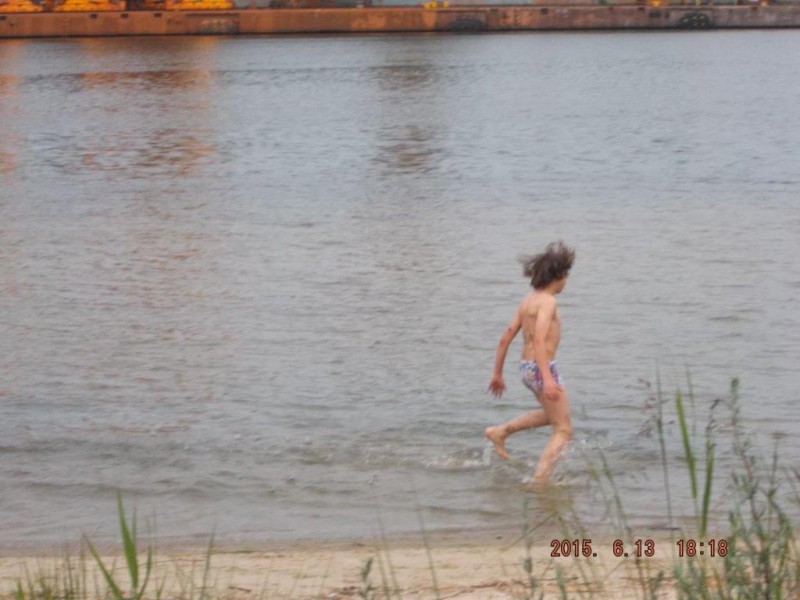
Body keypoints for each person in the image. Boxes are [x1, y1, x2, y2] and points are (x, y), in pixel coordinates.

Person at [484, 241, 575, 487]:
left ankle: (500, 431)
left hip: (526, 368)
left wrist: (497, 373)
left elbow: (506, 336)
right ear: (558, 275)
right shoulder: (548, 302)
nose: (567, 281)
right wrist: (548, 379)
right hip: (542, 368)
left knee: (552, 415)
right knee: (564, 429)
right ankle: (539, 482)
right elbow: (538, 339)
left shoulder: (527, 300)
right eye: (566, 276)